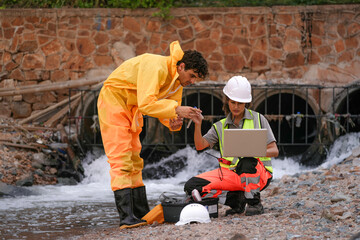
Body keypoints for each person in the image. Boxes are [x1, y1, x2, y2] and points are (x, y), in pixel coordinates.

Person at [97, 41, 208, 229]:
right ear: (181, 67)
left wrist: (174, 121)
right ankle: (126, 217)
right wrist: (176, 109)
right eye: (192, 76)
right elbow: (147, 103)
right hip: (114, 101)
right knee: (121, 158)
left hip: (132, 107)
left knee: (135, 159)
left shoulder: (177, 83)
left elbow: (168, 111)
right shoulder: (156, 66)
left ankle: (140, 213)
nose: (193, 81)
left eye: (196, 78)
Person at [184, 76, 279, 216]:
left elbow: (274, 151)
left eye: (240, 103)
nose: (236, 107)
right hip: (231, 175)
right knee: (191, 185)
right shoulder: (220, 126)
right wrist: (197, 125)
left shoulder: (259, 119)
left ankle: (254, 203)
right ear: (227, 101)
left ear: (246, 103)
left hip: (259, 174)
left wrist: (253, 151)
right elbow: (200, 146)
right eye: (233, 102)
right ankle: (237, 201)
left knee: (246, 161)